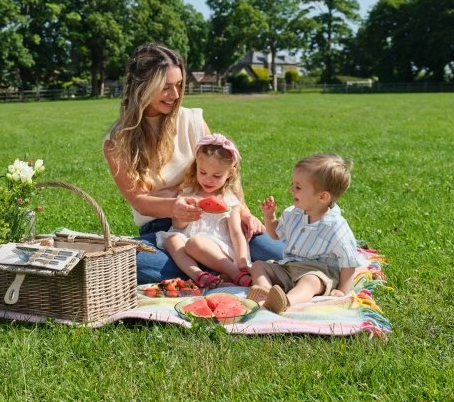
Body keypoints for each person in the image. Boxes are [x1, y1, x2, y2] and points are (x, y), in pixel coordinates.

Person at [103, 42, 283, 284]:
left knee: (278, 252)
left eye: (179, 85)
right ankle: (221, 267)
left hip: (220, 222)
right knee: (137, 264)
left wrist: (244, 212)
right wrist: (174, 206)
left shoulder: (193, 121)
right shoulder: (117, 142)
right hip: (164, 229)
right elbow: (140, 201)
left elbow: (223, 169)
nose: (176, 95)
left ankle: (210, 267)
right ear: (142, 87)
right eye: (166, 87)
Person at [247, 153, 366, 314]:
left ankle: (286, 302)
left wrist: (342, 289)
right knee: (258, 266)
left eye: (298, 187)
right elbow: (276, 235)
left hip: (319, 272)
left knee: (309, 282)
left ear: (322, 197)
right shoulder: (293, 213)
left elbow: (348, 261)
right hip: (288, 267)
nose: (291, 190)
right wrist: (269, 217)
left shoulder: (336, 227)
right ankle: (266, 292)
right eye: (293, 184)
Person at [155, 134, 252, 288]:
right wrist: (185, 215)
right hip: (187, 242)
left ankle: (235, 273)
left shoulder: (229, 199)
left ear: (230, 173)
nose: (208, 179)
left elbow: (236, 233)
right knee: (171, 239)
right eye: (203, 172)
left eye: (217, 176)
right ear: (196, 167)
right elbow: (178, 226)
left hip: (218, 250)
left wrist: (242, 261)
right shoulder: (187, 192)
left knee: (195, 243)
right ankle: (199, 275)